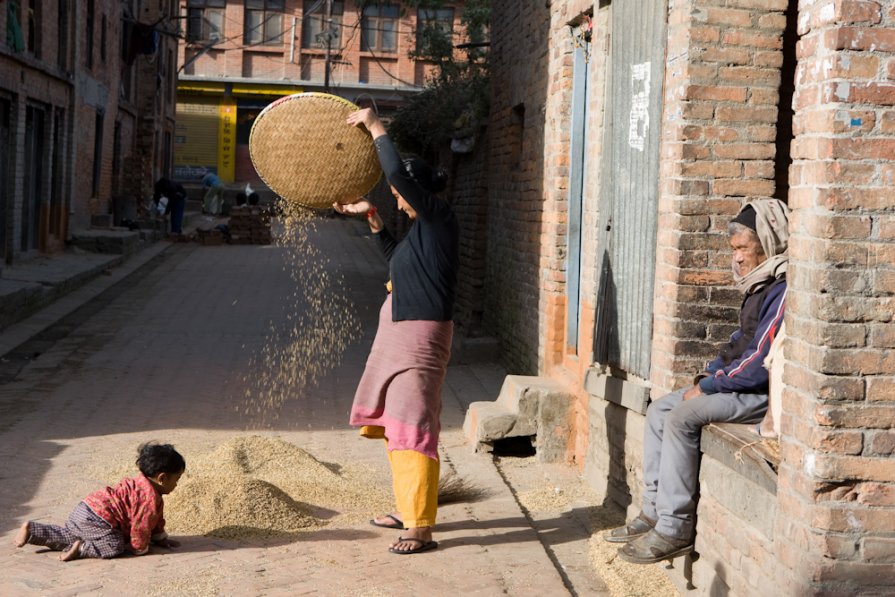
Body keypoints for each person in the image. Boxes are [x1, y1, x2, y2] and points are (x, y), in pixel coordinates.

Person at [607, 199, 789, 564]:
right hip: (736, 385)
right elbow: (739, 343)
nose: (736, 258)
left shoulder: (783, 288)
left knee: (681, 417)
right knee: (660, 409)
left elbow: (760, 364)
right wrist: (709, 373)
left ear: (768, 243)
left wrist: (707, 387)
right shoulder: (759, 284)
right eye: (733, 249)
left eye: (743, 249)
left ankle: (674, 529)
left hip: (761, 396)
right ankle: (653, 511)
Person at [333, 108, 458, 556]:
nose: (397, 199)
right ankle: (409, 511)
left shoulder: (439, 218)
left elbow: (396, 174)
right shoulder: (422, 232)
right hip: (399, 334)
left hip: (419, 338)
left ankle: (420, 528)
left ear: (416, 191)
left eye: (398, 194)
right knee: (396, 426)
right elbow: (396, 263)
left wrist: (375, 126)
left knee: (414, 428)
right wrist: (372, 218)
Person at [14, 442, 185, 561]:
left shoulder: (140, 483)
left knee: (70, 535)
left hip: (84, 510)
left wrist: (161, 538)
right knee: (115, 545)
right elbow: (141, 527)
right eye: (177, 479)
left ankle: (32, 530)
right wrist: (140, 549)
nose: (177, 484)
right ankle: (81, 549)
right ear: (162, 478)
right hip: (100, 520)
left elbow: (155, 522)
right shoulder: (149, 498)